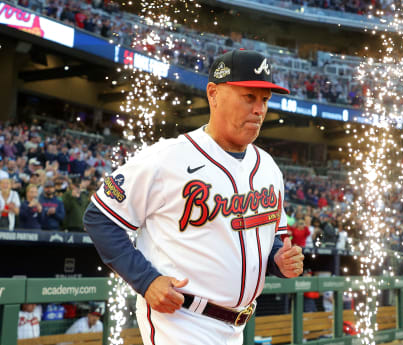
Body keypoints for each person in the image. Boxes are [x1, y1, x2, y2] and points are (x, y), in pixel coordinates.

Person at [83, 49, 303, 345]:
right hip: (180, 319)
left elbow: (267, 237)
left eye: (264, 99)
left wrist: (278, 259)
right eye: (248, 97)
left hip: (237, 325)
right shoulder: (167, 157)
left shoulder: (269, 168)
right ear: (214, 94)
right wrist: (146, 281)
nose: (259, 109)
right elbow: (100, 217)